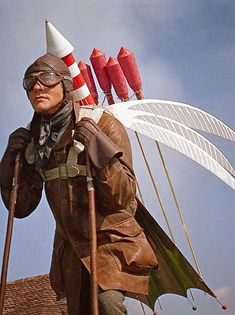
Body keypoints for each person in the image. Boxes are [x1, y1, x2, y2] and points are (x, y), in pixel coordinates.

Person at [0, 53, 159, 315]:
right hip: (70, 248)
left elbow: (123, 195)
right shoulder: (32, 139)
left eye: (47, 78)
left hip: (111, 240)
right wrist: (8, 164)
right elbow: (21, 207)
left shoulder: (102, 123)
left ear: (65, 83)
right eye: (29, 81)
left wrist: (99, 149)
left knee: (108, 305)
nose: (37, 86)